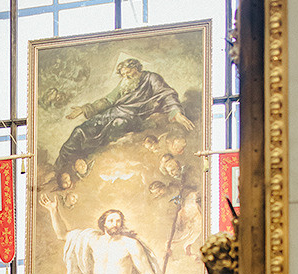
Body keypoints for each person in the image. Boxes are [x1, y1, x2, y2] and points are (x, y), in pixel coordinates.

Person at [55, 57, 195, 182]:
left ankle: (85, 156)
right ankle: (61, 163)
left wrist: (176, 112)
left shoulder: (151, 78)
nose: (126, 76)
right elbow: (108, 100)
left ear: (136, 68)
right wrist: (85, 109)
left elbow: (166, 94)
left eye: (129, 73)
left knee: (117, 125)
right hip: (113, 113)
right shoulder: (125, 83)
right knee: (80, 130)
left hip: (133, 119)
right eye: (123, 75)